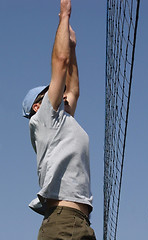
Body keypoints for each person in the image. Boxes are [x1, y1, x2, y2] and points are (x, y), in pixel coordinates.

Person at [22, 0, 96, 239]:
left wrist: (73, 47)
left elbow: (73, 89)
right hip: (62, 223)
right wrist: (65, 14)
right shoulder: (43, 120)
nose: (62, 94)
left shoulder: (62, 122)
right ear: (37, 105)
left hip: (81, 223)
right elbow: (60, 63)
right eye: (52, 92)